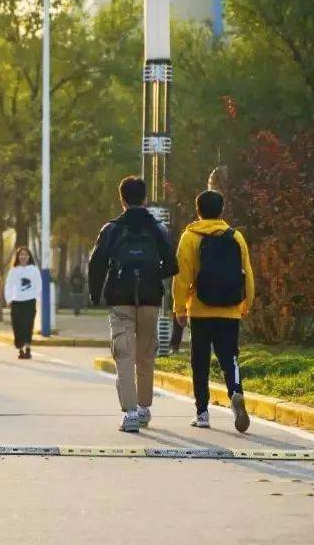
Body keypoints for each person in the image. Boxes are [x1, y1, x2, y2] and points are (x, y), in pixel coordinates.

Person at [87, 176, 178, 432]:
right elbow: (173, 265)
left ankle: (129, 414)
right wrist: (152, 274)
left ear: (122, 199)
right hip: (150, 299)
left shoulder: (112, 229)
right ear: (145, 198)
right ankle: (144, 408)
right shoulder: (158, 228)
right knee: (145, 354)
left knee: (124, 354)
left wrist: (96, 295)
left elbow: (96, 264)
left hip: (120, 300)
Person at [173, 189, 255, 432]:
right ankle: (236, 393)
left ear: (198, 211)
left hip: (199, 309)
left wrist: (179, 307)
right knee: (230, 358)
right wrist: (246, 304)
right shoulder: (236, 237)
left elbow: (182, 277)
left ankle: (202, 412)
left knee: (200, 362)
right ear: (221, 210)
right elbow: (247, 274)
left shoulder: (190, 237)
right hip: (229, 309)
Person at [4, 246, 42, 359]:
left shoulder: (33, 269)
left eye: (25, 255)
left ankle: (28, 348)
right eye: (21, 255)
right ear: (18, 257)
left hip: (29, 301)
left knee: (28, 325)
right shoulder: (14, 270)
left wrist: (36, 298)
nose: (23, 257)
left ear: (29, 256)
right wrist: (9, 299)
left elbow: (38, 284)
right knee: (17, 326)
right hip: (16, 302)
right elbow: (9, 285)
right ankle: (20, 349)